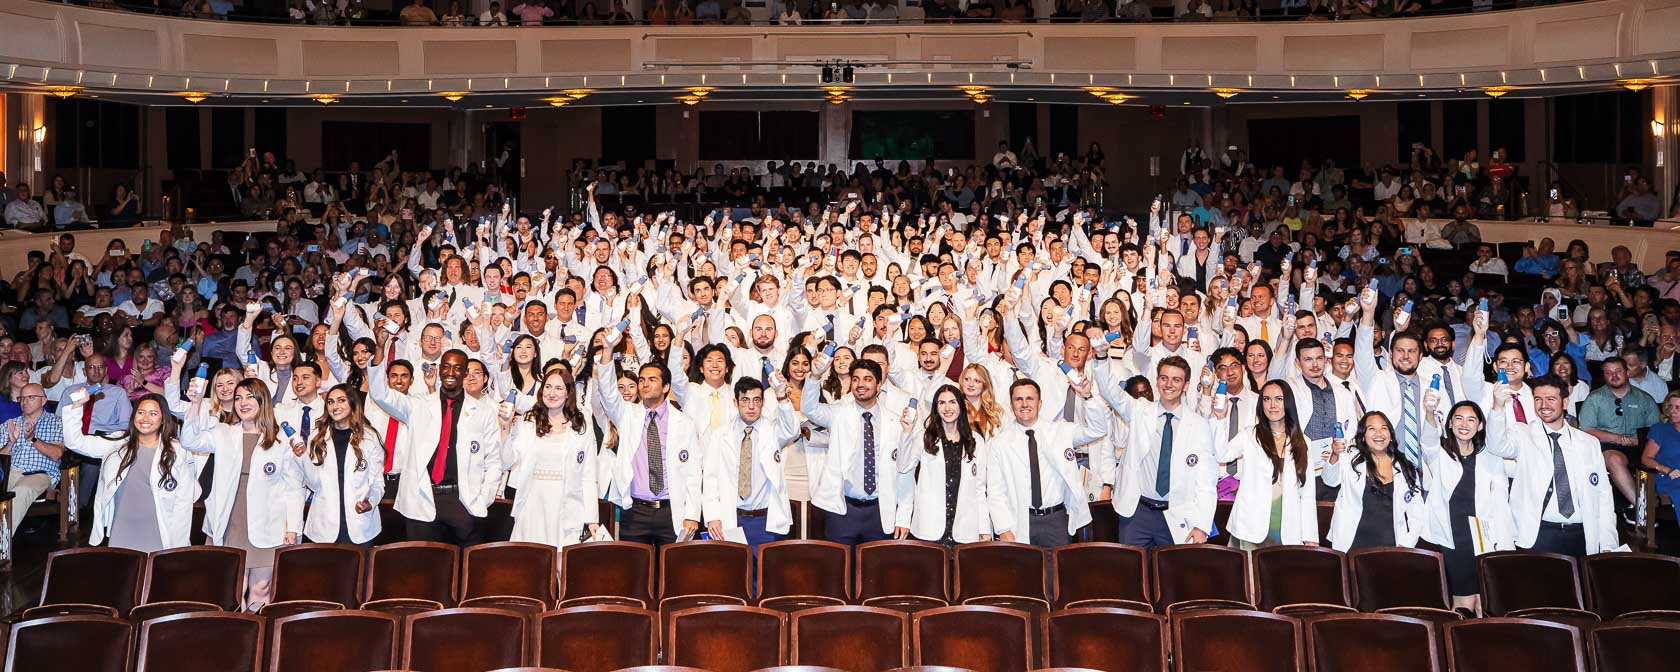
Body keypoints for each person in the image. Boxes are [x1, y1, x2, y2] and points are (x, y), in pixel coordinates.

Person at [368, 325, 504, 546]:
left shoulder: (484, 411)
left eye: (457, 368)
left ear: (465, 373)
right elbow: (380, 394)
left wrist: (483, 499)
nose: (451, 373)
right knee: (425, 572)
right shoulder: (418, 404)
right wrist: (380, 348)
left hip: (463, 501)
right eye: (446, 367)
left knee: (463, 572)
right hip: (422, 499)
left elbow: (493, 460)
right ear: (439, 369)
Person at [183, 379, 297, 611]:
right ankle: (236, 635)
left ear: (262, 400)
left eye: (249, 397)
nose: (243, 403)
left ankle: (256, 634)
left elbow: (293, 487)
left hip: (268, 523)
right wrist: (195, 404)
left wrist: (292, 527)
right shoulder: (223, 432)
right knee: (233, 588)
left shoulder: (280, 441)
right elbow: (190, 440)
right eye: (238, 398)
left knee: (262, 588)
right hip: (229, 519)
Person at [1488, 376, 1620, 557]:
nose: (1543, 405)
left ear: (1565, 402)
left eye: (1550, 399)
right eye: (1538, 399)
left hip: (1581, 534)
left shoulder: (1589, 443)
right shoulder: (1523, 433)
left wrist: (1608, 543)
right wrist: (1498, 407)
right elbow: (1496, 445)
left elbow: (1603, 495)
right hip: (1539, 534)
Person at [1095, 357, 1218, 548]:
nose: (1169, 384)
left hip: (1177, 514)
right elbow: (1111, 393)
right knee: (1133, 573)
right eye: (1164, 378)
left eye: (1176, 380)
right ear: (1157, 380)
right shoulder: (1139, 411)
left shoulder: (1199, 425)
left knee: (1171, 576)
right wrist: (1102, 358)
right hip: (1137, 513)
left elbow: (1207, 481)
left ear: (1186, 385)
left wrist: (1202, 525)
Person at [596, 328, 703, 547]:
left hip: (671, 510)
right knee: (635, 573)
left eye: (652, 380)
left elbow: (693, 471)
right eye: (642, 380)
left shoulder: (685, 423)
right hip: (635, 511)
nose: (644, 384)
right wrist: (607, 350)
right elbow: (607, 392)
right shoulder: (627, 413)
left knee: (670, 573)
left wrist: (692, 513)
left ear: (665, 386)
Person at [58, 392, 200, 552]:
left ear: (163, 420)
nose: (145, 418)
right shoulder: (118, 443)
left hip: (161, 530)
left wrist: (178, 545)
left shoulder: (177, 451)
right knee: (124, 575)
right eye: (141, 412)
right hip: (122, 527)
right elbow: (75, 442)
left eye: (153, 413)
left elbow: (184, 502)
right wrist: (77, 407)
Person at [1419, 397, 1515, 614]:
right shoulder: (1440, 454)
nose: (1464, 425)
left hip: (1484, 538)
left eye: (1471, 420)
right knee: (1462, 604)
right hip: (1454, 537)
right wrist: (1429, 412)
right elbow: (1428, 439)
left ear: (1480, 425)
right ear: (1450, 423)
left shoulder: (1491, 456)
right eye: (1459, 419)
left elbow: (1500, 501)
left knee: (1484, 602)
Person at [804, 357, 913, 545]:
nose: (860, 384)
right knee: (841, 570)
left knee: (877, 572)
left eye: (867, 379)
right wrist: (814, 376)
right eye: (855, 379)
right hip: (843, 509)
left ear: (879, 385)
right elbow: (810, 408)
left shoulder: (896, 423)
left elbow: (905, 472)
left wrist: (903, 516)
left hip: (880, 511)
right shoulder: (838, 413)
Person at [1213, 380, 1330, 549]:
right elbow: (1222, 454)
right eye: (1266, 399)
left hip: (1287, 531)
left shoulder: (1303, 442)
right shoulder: (1250, 435)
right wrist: (1219, 419)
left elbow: (1307, 494)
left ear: (1288, 403)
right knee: (1248, 575)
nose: (1272, 405)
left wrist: (1310, 536)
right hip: (1250, 528)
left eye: (1279, 399)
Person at [500, 368, 599, 547]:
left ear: (569, 392)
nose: (551, 393)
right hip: (532, 503)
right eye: (548, 387)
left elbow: (588, 475)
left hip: (568, 505)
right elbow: (507, 461)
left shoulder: (581, 425)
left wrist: (591, 519)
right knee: (531, 564)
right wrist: (505, 429)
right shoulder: (528, 422)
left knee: (564, 564)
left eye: (559, 388)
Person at [702, 376, 799, 552]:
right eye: (745, 400)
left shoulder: (773, 431)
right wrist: (713, 516)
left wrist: (782, 397)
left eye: (757, 400)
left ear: (763, 402)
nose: (751, 406)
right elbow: (710, 478)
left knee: (763, 575)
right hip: (731, 517)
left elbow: (792, 429)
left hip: (765, 519)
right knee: (734, 573)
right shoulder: (721, 434)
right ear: (735, 402)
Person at [288, 384, 384, 546]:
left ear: (353, 404)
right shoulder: (316, 437)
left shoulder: (370, 437)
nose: (335, 406)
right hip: (324, 525)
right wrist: (302, 457)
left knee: (362, 571)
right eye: (331, 402)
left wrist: (370, 502)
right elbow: (314, 484)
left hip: (360, 526)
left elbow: (377, 483)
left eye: (341, 401)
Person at [1325, 411, 1426, 551]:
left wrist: (1407, 544)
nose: (1379, 434)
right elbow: (1330, 480)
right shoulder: (1349, 459)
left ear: (1390, 435)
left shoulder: (1406, 468)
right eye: (1372, 429)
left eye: (1383, 428)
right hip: (1351, 545)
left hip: (1392, 547)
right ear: (1363, 437)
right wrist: (1335, 454)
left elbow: (1417, 512)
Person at [3, 384, 63, 540]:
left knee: (21, 491)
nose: (24, 401)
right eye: (22, 398)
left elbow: (57, 454)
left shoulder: (56, 423)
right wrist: (10, 443)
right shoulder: (11, 423)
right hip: (11, 471)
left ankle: (2, 543)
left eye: (30, 397)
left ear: (43, 400)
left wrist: (33, 439)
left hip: (40, 474)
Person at [1640, 390, 1680, 504]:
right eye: (1671, 407)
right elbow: (1646, 458)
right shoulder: (1660, 429)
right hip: (1670, 477)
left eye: (1678, 408)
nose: (1673, 411)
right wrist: (1667, 470)